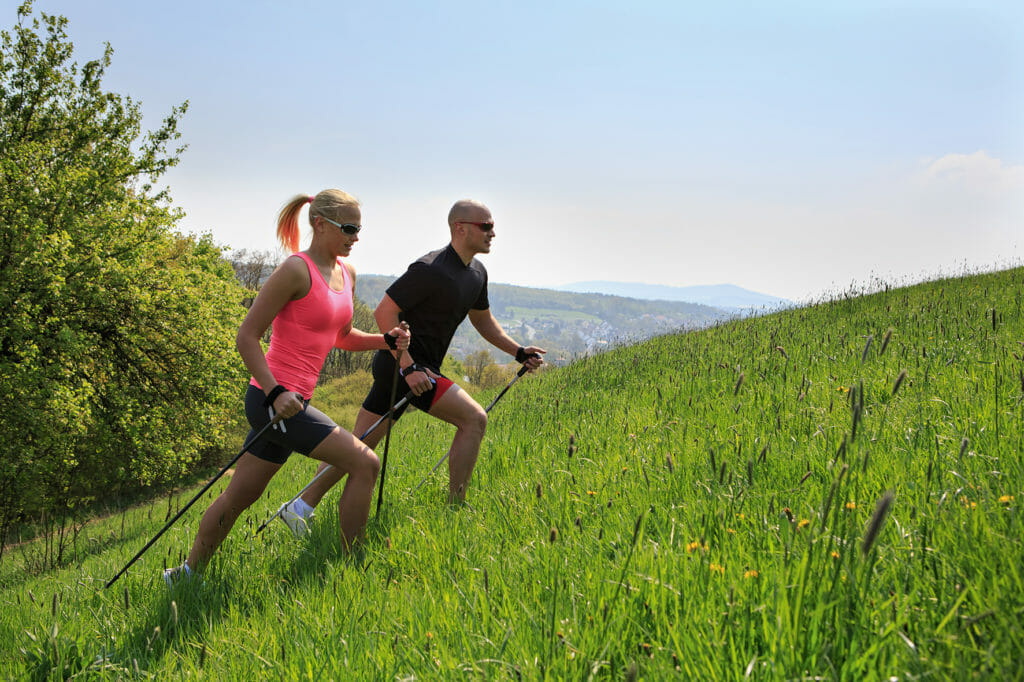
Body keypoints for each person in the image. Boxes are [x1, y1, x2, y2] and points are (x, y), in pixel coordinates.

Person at [163, 189, 410, 585]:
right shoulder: (296, 270)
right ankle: (352, 568)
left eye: (359, 229)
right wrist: (276, 392)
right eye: (348, 228)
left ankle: (186, 574)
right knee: (365, 462)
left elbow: (342, 336)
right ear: (320, 223)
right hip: (271, 399)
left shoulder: (346, 274)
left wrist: (386, 340)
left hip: (296, 402)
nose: (355, 237)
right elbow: (247, 336)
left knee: (242, 495)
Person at [276, 198, 544, 534]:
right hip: (406, 370)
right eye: (485, 226)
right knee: (474, 419)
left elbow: (483, 321)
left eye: (492, 226)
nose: (493, 232)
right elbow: (384, 313)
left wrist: (517, 351)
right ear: (460, 228)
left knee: (362, 444)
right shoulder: (431, 269)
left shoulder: (476, 273)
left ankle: (300, 507)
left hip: (411, 370)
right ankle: (456, 507)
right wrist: (408, 366)